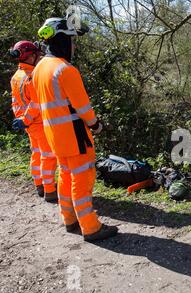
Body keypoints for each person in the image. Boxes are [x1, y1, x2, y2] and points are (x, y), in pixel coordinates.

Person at [29, 17, 118, 241]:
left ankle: (69, 219)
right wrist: (96, 125)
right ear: (61, 40)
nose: (73, 45)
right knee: (82, 178)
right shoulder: (65, 69)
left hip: (54, 136)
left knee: (66, 175)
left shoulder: (39, 68)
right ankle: (91, 227)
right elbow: (83, 108)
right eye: (71, 40)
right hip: (74, 135)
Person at [9, 41, 58, 201]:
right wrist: (27, 119)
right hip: (38, 122)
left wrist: (22, 120)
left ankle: (39, 185)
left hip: (28, 124)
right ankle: (50, 190)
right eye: (37, 55)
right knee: (48, 156)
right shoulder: (33, 76)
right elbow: (36, 103)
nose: (39, 57)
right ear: (30, 57)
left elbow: (16, 102)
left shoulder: (16, 76)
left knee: (36, 154)